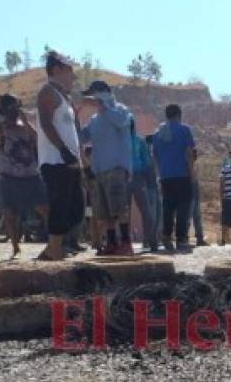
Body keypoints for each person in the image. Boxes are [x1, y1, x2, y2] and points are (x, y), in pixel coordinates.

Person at [0, 94, 49, 258]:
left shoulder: (25, 126)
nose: (15, 111)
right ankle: (15, 246)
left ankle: (54, 242)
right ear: (5, 110)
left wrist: (26, 122)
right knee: (10, 212)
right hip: (9, 176)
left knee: (44, 208)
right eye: (12, 108)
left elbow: (37, 139)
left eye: (17, 107)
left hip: (30, 174)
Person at [36, 51, 84, 261]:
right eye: (69, 71)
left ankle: (51, 249)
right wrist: (63, 150)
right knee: (61, 205)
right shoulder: (47, 92)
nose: (73, 76)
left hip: (71, 162)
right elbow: (46, 124)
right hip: (55, 160)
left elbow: (73, 131)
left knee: (77, 210)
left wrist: (80, 158)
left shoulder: (66, 97)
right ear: (56, 70)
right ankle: (54, 249)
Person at [77, 80, 133, 255]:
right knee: (105, 212)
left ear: (102, 94)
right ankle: (112, 243)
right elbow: (80, 138)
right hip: (99, 170)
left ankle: (126, 243)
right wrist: (75, 115)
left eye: (93, 95)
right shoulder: (94, 120)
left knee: (120, 208)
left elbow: (123, 122)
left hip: (116, 167)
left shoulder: (121, 110)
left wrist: (104, 107)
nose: (91, 100)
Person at [152, 104, 195, 252]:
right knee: (183, 207)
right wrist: (192, 172)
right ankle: (181, 239)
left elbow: (155, 155)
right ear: (179, 114)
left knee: (168, 207)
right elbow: (189, 153)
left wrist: (160, 172)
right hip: (182, 174)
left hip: (166, 176)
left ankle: (166, 236)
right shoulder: (184, 130)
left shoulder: (158, 133)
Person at [129, 120, 158, 251]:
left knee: (144, 210)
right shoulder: (135, 140)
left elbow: (146, 162)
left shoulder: (138, 140)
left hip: (135, 176)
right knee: (139, 210)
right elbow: (147, 162)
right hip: (127, 176)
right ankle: (148, 240)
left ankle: (150, 240)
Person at [144, 134, 162, 249]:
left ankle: (153, 239)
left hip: (156, 187)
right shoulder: (146, 156)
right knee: (153, 216)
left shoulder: (154, 155)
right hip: (149, 188)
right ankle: (150, 240)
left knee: (158, 215)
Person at [188, 149, 208, 246]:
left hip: (194, 188)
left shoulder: (193, 166)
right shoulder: (186, 166)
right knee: (188, 214)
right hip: (189, 188)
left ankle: (199, 238)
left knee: (197, 214)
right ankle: (184, 238)